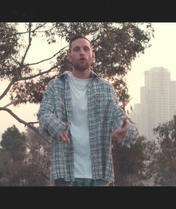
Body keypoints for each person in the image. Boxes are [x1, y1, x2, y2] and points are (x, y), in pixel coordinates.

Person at [38, 34, 139, 186]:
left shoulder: (105, 88)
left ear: (93, 56)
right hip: (65, 172)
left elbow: (116, 115)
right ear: (69, 57)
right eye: (76, 49)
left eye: (86, 49)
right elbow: (44, 115)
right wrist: (58, 128)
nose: (81, 53)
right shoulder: (56, 86)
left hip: (99, 174)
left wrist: (126, 130)